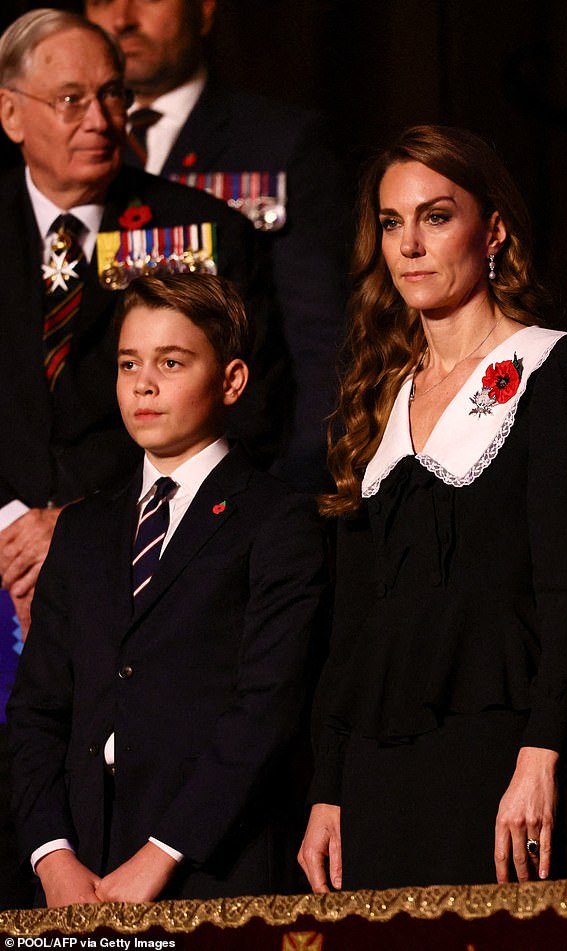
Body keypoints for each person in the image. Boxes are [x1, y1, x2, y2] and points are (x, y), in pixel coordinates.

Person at [297, 125, 567, 891]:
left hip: (496, 750)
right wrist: (327, 785)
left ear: (493, 230)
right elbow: (351, 624)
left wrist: (542, 753)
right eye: (391, 222)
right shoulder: (378, 396)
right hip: (375, 764)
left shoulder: (555, 366)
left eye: (436, 216)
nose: (409, 244)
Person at [0, 7, 275, 909]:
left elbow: (227, 412)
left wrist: (69, 523)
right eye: (71, 97)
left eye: (113, 94)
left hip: (124, 559)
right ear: (13, 115)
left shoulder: (200, 229)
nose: (100, 117)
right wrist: (11, 520)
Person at [7, 272, 326, 906]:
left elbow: (265, 709)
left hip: (212, 872)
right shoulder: (82, 529)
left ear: (231, 380)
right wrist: (51, 856)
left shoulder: (277, 520)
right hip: (84, 874)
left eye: (171, 362)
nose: (143, 384)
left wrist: (163, 852)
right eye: (129, 364)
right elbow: (38, 711)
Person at [83, 0, 347, 492]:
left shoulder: (277, 142)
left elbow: (321, 344)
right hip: (97, 494)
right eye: (101, 0)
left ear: (204, 11)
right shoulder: (69, 150)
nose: (122, 18)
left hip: (243, 481)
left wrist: (289, 493)